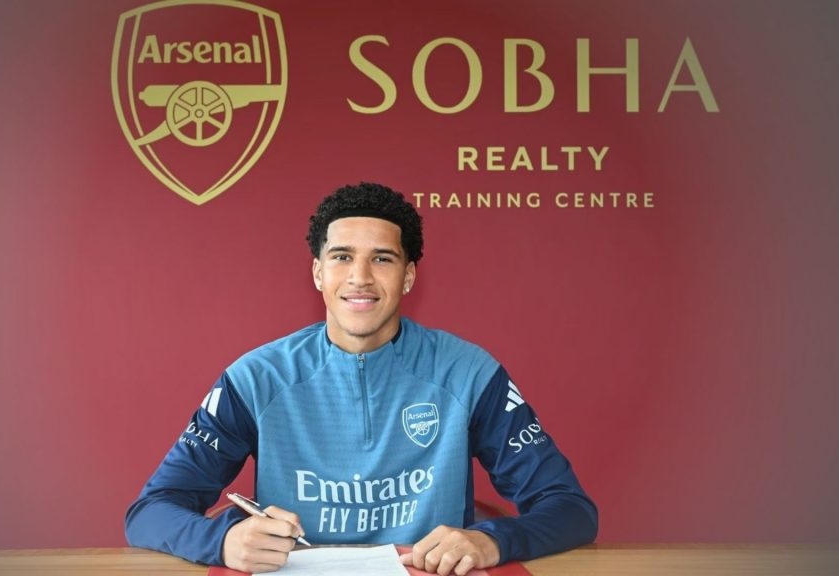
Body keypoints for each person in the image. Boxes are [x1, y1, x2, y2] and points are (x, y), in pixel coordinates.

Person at [125, 182, 598, 575]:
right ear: (318, 272)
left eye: (383, 259)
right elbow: (151, 511)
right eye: (342, 257)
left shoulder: (469, 373)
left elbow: (570, 509)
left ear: (408, 276)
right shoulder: (256, 378)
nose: (360, 277)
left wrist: (492, 540)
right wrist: (223, 540)